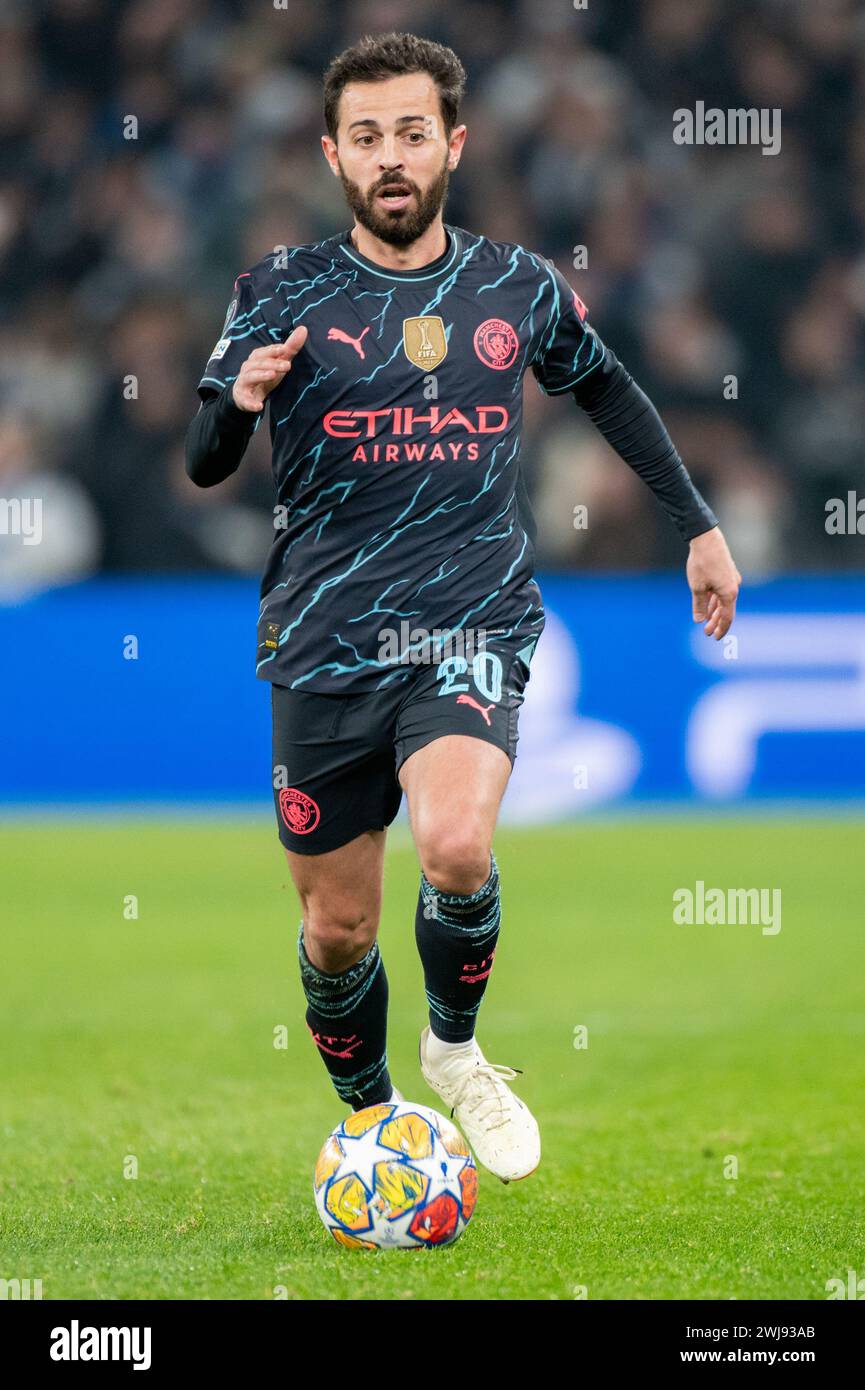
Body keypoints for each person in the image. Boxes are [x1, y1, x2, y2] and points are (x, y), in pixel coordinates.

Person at [185, 31, 741, 1184]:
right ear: (334, 154)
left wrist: (696, 522)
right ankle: (375, 1112)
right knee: (336, 932)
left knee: (453, 844)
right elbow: (201, 459)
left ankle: (453, 1050)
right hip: (324, 637)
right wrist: (237, 402)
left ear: (455, 143)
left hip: (468, 621)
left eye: (412, 133)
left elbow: (610, 389)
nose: (392, 157)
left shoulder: (514, 286)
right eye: (368, 137)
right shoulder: (278, 288)